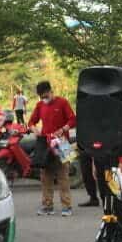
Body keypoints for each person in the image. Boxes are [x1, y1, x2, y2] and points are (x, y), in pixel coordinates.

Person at [28, 80, 77, 216]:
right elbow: (31, 122)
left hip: (62, 142)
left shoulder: (63, 102)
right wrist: (34, 129)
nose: (44, 99)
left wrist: (63, 129)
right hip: (45, 143)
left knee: (63, 176)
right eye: (41, 97)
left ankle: (67, 206)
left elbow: (73, 120)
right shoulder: (39, 105)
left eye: (45, 95)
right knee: (45, 176)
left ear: (51, 91)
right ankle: (47, 206)